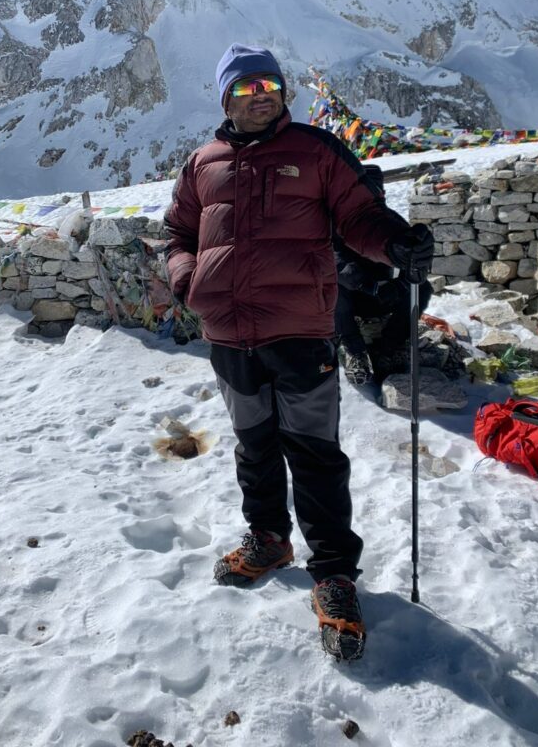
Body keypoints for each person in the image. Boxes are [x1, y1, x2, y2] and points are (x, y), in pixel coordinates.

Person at [163, 43, 434, 661]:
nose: (261, 97)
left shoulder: (316, 151)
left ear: (284, 94)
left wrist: (397, 246)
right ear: (225, 97)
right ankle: (269, 539)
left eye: (270, 86)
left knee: (314, 456)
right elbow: (177, 232)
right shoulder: (202, 163)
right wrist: (187, 280)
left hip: (300, 332)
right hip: (230, 336)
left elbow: (359, 217)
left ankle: (335, 574)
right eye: (246, 88)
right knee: (254, 447)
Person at [335, 228, 433, 386]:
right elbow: (333, 261)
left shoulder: (387, 223)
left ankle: (389, 349)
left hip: (384, 293)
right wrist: (366, 285)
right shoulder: (336, 226)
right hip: (351, 297)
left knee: (422, 287)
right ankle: (354, 351)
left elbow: (415, 262)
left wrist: (400, 285)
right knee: (331, 285)